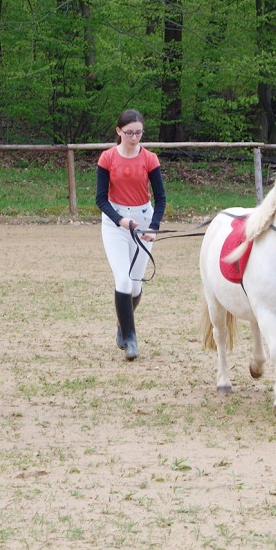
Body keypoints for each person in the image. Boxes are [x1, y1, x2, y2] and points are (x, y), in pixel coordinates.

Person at [95, 109, 166, 361]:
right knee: (123, 282)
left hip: (143, 221)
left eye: (138, 133)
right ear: (119, 132)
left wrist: (154, 226)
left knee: (136, 287)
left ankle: (122, 325)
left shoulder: (150, 159)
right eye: (129, 133)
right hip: (115, 223)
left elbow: (161, 197)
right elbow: (100, 199)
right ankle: (131, 339)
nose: (135, 137)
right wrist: (120, 220)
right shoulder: (107, 158)